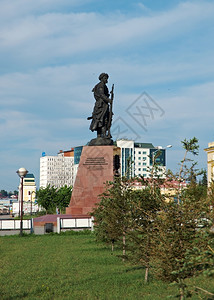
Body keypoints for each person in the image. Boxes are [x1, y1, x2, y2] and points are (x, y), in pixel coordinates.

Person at [88, 73, 112, 138]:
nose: (106, 80)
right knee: (103, 119)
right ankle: (102, 135)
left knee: (102, 119)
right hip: (101, 105)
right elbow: (101, 95)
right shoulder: (101, 85)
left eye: (107, 78)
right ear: (101, 79)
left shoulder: (103, 86)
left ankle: (100, 136)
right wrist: (108, 100)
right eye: (105, 78)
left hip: (102, 105)